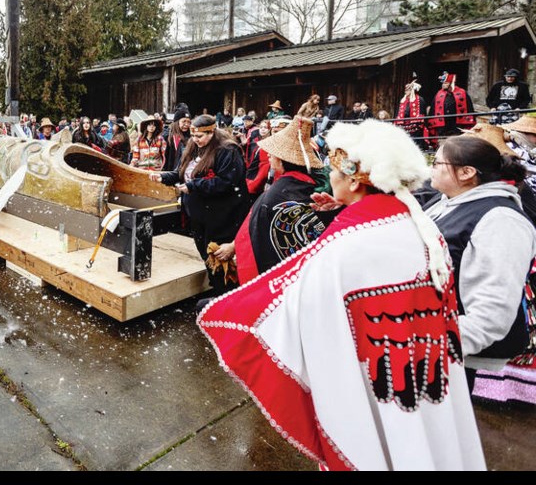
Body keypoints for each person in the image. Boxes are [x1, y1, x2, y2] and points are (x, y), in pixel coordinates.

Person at [198, 118, 485, 470]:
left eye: (335, 170)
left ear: (353, 179)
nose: (329, 177)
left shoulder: (349, 244)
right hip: (419, 369)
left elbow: (300, 310)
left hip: (371, 379)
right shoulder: (418, 225)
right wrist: (346, 211)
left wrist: (232, 313)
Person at [423, 135, 536, 391]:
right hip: (428, 340)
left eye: (437, 162)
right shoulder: (446, 202)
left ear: (466, 173)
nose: (431, 166)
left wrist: (428, 343)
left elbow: (492, 311)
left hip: (448, 353)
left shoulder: (501, 220)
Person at [213, 116, 335, 284]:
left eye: (272, 153)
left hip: (278, 277)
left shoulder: (276, 194)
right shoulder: (312, 185)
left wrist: (234, 247)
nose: (268, 156)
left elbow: (251, 230)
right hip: (310, 273)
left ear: (281, 158)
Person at [150, 116, 249, 297]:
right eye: (193, 136)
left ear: (212, 132)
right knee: (206, 255)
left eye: (200, 136)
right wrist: (164, 177)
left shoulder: (227, 151)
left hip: (221, 216)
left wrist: (194, 186)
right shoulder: (193, 148)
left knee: (219, 257)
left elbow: (226, 182)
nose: (196, 140)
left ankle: (226, 293)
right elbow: (182, 173)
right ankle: (217, 288)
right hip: (198, 215)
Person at [427, 71, 475, 138]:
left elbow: (469, 107)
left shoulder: (462, 93)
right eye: (443, 83)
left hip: (457, 123)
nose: (443, 85)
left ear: (451, 83)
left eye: (445, 83)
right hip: (443, 124)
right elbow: (433, 109)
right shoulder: (439, 94)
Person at [395, 79, 427, 143]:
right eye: (405, 90)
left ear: (412, 90)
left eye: (407, 90)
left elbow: (422, 111)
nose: (406, 92)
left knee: (415, 139)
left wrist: (419, 121)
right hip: (404, 123)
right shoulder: (403, 100)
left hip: (415, 123)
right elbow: (399, 111)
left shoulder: (419, 99)